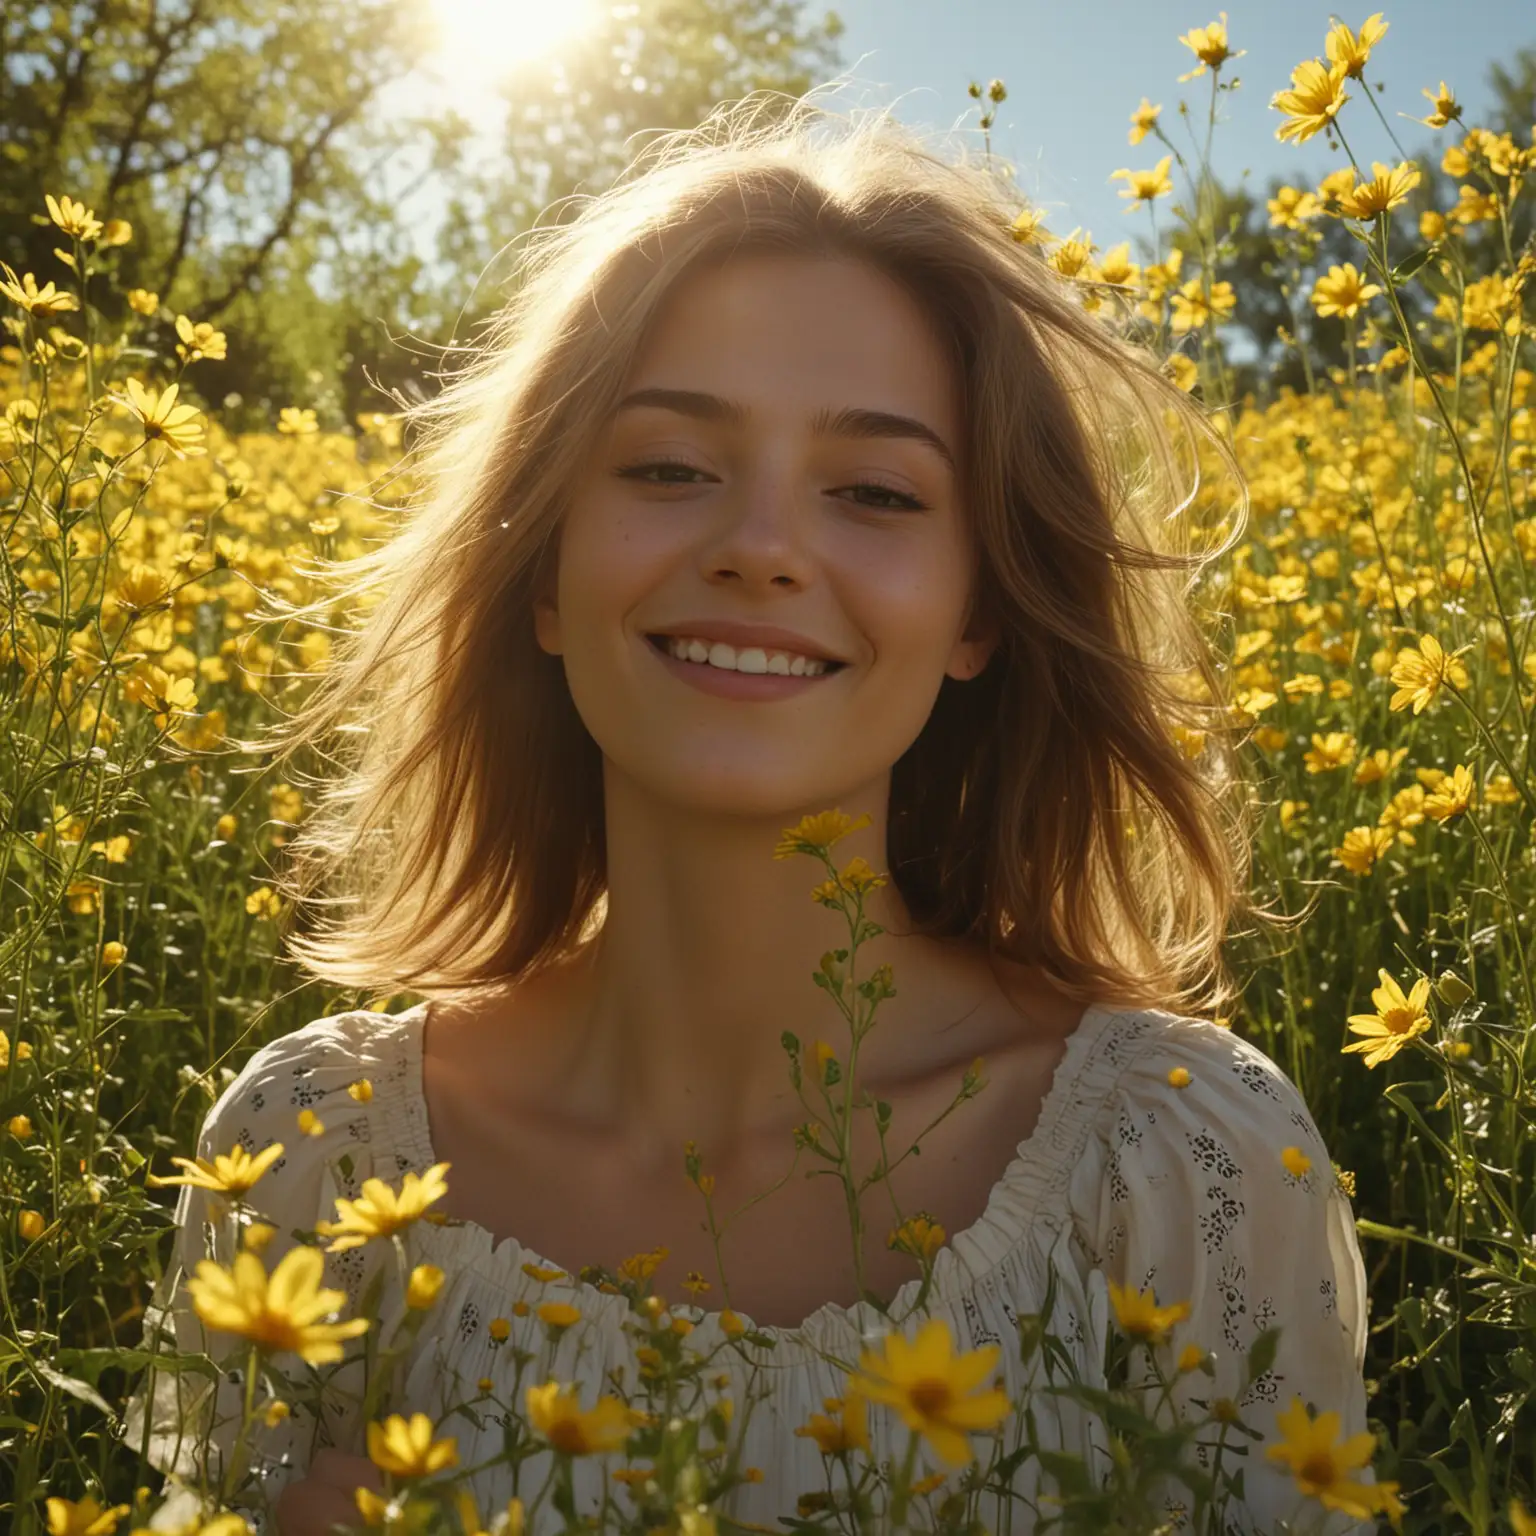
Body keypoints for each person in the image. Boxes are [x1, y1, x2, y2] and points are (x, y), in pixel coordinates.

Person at [126, 92, 1375, 1536]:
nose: (763, 549)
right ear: (542, 571)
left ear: (980, 608)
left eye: (875, 491)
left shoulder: (1179, 1165)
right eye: (667, 468)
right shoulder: (305, 1159)